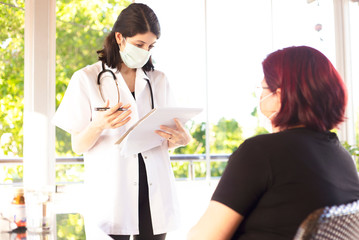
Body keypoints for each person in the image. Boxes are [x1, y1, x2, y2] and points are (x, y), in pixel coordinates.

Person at [187, 46, 359, 240]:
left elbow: (206, 236)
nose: (260, 96)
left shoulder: (260, 152)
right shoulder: (342, 156)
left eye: (263, 88)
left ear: (281, 95)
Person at [53, 3, 191, 240]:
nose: (146, 51)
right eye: (139, 44)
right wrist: (98, 124)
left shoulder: (158, 80)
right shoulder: (87, 79)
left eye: (150, 46)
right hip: (113, 194)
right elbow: (77, 146)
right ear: (120, 37)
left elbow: (166, 137)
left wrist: (181, 139)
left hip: (154, 192)